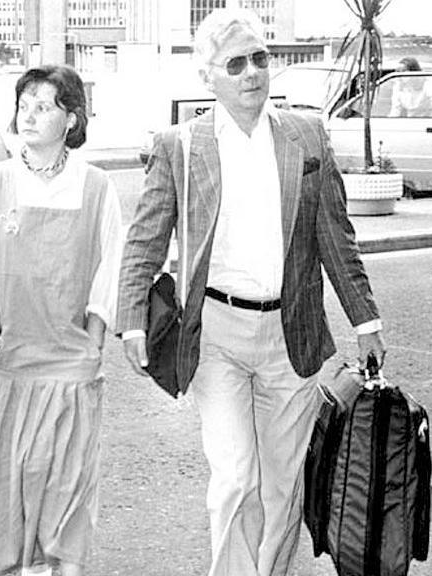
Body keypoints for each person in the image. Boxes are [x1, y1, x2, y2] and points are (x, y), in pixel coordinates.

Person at [116, 9, 385, 576]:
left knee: (283, 487)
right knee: (237, 477)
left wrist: (366, 321)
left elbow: (334, 234)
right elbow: (145, 237)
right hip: (216, 333)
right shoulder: (180, 146)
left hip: (293, 334)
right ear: (206, 77)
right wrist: (132, 319)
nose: (251, 73)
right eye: (235, 64)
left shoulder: (306, 135)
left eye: (260, 59)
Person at [0, 64, 123, 576]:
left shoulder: (96, 187)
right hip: (11, 365)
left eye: (44, 106)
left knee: (67, 485)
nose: (29, 114)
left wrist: (95, 337)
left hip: (72, 364)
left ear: (71, 119)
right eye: (24, 104)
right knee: (11, 485)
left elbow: (111, 264)